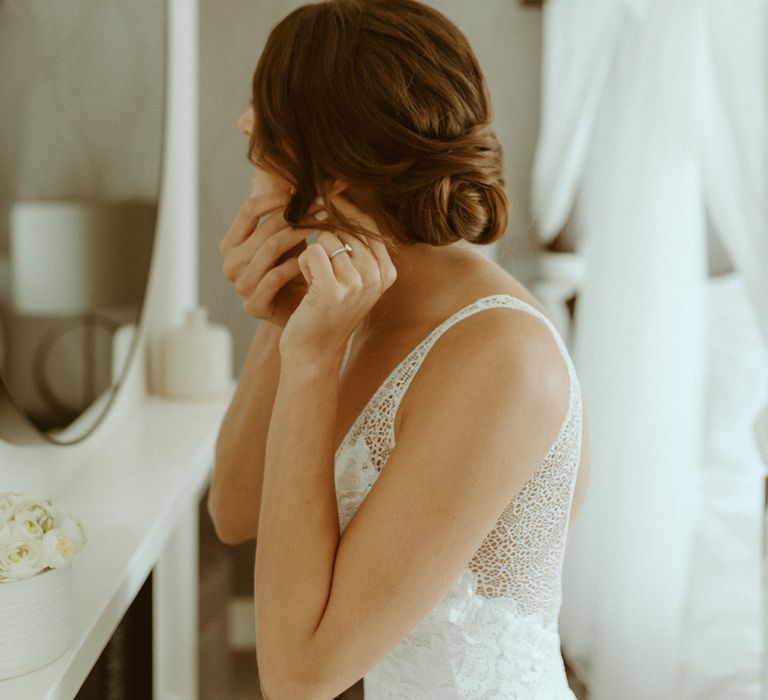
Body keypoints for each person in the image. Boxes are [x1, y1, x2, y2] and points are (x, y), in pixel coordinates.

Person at [208, 1, 591, 698]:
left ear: (335, 176)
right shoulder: (352, 304)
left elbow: (298, 677)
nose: (245, 122)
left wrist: (314, 363)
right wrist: (282, 325)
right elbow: (234, 511)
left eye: (268, 107)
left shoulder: (501, 357)